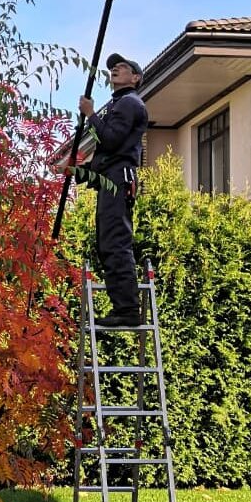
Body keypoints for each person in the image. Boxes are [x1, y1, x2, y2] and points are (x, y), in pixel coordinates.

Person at [78, 53, 148, 327]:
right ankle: (123, 307)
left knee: (115, 240)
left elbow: (110, 139)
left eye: (123, 67)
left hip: (119, 178)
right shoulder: (117, 104)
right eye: (113, 67)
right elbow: (102, 142)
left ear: (136, 77)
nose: (115, 69)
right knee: (108, 242)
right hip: (112, 178)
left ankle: (128, 310)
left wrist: (91, 115)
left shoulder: (130, 103)